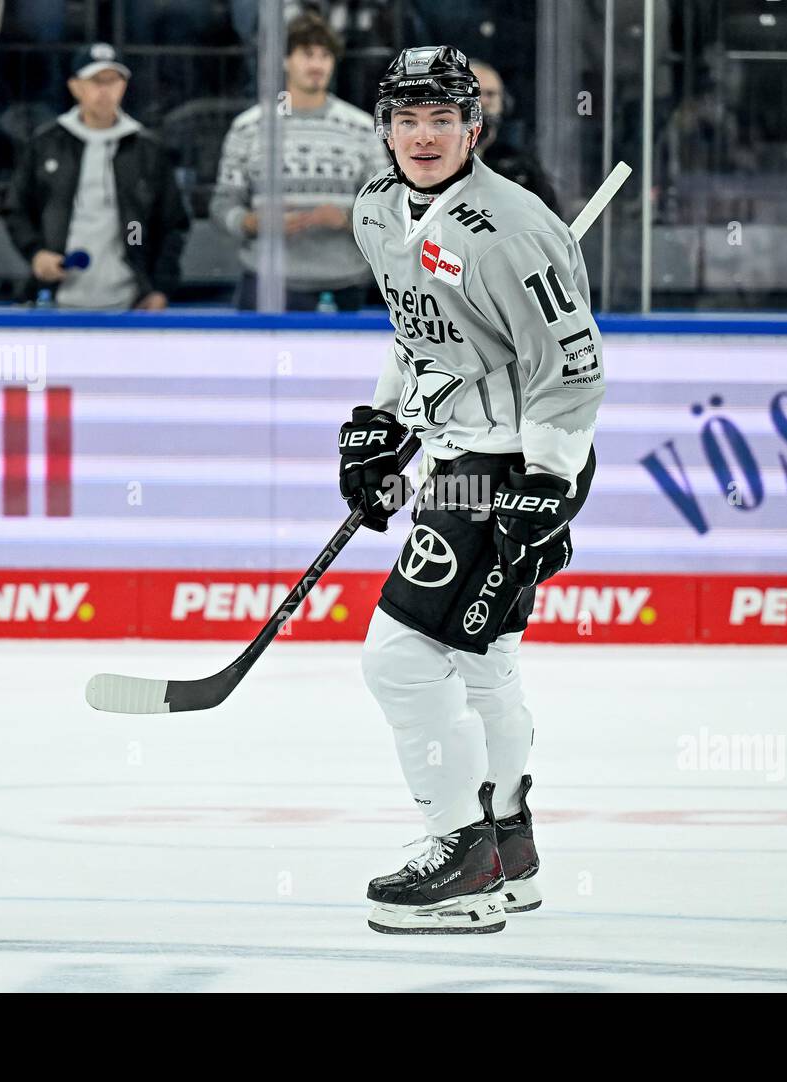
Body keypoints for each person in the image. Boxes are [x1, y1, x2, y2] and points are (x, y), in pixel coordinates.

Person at [343, 46, 604, 934]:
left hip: (515, 461)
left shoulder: (515, 228)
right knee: (483, 660)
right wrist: (385, 424)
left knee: (397, 658)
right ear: (385, 128)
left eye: (441, 119)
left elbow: (571, 369)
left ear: (473, 129)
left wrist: (548, 485)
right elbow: (418, 329)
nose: (423, 136)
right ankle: (508, 845)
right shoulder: (378, 210)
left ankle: (460, 852)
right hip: (458, 453)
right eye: (407, 120)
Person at [209, 12, 387, 311]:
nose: (317, 64)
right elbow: (222, 203)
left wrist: (348, 219)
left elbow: (387, 208)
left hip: (345, 284)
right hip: (267, 284)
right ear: (284, 60)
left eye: (325, 55)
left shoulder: (361, 127)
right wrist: (253, 222)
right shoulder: (250, 126)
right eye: (307, 54)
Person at [3, 43, 189, 310]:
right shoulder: (46, 144)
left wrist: (160, 288)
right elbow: (16, 208)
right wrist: (36, 253)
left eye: (113, 81)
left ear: (123, 86)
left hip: (131, 303)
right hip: (54, 300)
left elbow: (172, 224)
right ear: (75, 86)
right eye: (95, 81)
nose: (104, 90)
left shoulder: (146, 150)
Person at [469, 58, 560, 215]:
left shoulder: (519, 167)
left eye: (490, 94)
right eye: (474, 92)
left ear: (505, 103)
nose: (482, 101)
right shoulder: (435, 161)